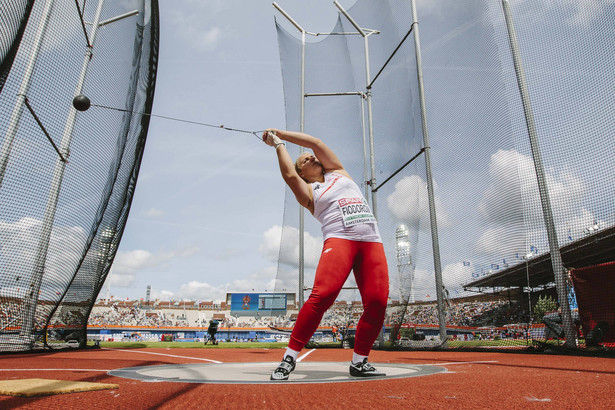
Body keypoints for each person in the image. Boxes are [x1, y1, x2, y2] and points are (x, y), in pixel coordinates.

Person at [263, 129, 389, 381]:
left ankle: (359, 361)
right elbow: (288, 175)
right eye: (304, 161)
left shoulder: (338, 172)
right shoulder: (309, 193)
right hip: (340, 240)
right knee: (323, 295)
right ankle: (289, 357)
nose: (310, 158)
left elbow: (316, 142)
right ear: (302, 174)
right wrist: (277, 144)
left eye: (311, 157)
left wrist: (281, 132)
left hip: (371, 242)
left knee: (377, 302)